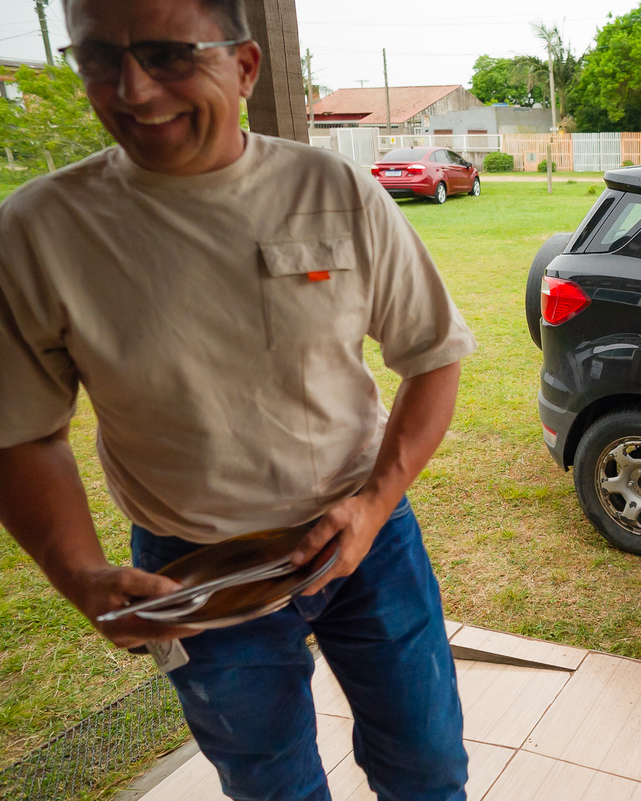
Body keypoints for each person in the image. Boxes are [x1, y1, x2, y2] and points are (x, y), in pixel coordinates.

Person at [0, 0, 474, 798]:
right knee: (269, 784)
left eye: (168, 56)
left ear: (245, 66)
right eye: (99, 60)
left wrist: (372, 505)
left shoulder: (332, 189)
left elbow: (433, 356)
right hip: (190, 568)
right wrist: (79, 572)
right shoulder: (38, 230)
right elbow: (22, 430)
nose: (134, 89)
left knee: (426, 765)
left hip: (366, 537)